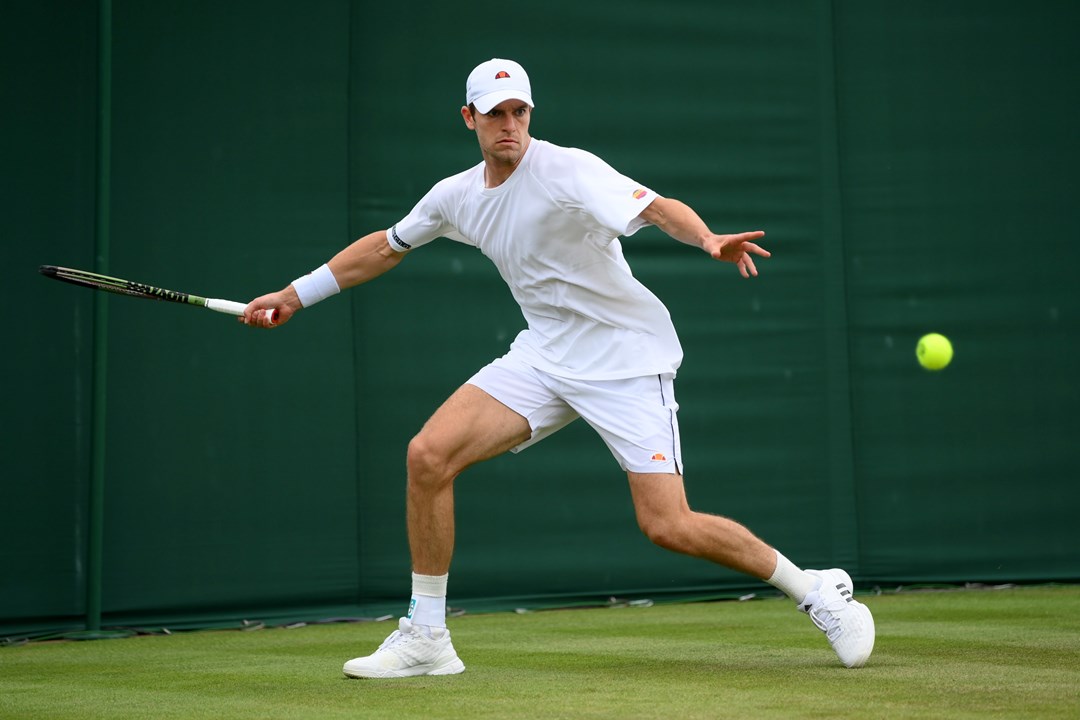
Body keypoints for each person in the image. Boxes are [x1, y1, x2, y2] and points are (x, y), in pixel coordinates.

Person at [242, 58, 875, 677]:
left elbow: (656, 208)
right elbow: (385, 247)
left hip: (627, 358)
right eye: (495, 114)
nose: (509, 124)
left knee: (667, 525)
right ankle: (427, 636)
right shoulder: (455, 197)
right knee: (427, 456)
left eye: (519, 111)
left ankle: (814, 589)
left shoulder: (568, 169)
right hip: (545, 356)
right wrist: (295, 295)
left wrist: (707, 239)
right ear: (469, 118)